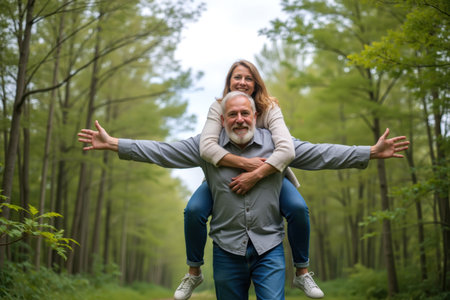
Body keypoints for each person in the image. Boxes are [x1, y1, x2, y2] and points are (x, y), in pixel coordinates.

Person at [78, 91, 409, 300]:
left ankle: (302, 272)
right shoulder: (203, 147)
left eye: (245, 114)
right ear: (222, 120)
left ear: (256, 116)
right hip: (226, 250)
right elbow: (162, 151)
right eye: (232, 115)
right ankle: (193, 272)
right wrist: (115, 143)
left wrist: (369, 152)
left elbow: (323, 153)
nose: (239, 120)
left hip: (270, 249)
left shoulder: (278, 146)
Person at [179, 60, 315, 300]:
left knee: (297, 207)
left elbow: (287, 150)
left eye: (248, 78)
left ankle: (302, 271)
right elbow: (207, 147)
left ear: (256, 84)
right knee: (194, 210)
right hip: (224, 174)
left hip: (269, 173)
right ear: (229, 82)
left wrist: (255, 174)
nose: (242, 82)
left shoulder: (269, 107)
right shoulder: (219, 106)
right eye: (237, 77)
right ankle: (193, 271)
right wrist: (245, 164)